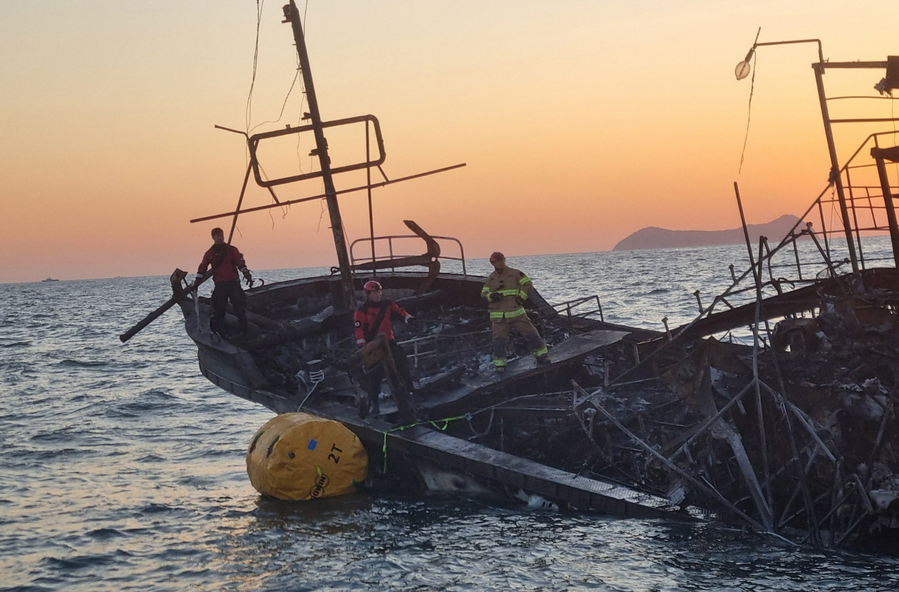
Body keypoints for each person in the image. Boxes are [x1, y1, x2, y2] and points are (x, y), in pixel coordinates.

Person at [354, 280, 415, 418]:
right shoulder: (362, 311)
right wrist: (363, 346)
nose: (378, 295)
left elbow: (399, 311)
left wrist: (408, 317)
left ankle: (411, 393)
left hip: (390, 342)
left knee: (403, 366)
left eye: (379, 292)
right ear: (368, 294)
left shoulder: (387, 304)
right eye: (375, 293)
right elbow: (359, 330)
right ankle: (374, 403)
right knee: (375, 376)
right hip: (374, 346)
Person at [481, 252, 550, 372]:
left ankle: (542, 356)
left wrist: (521, 297)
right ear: (492, 263)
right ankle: (500, 365)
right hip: (499, 317)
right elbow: (484, 294)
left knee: (531, 334)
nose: (501, 262)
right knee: (498, 340)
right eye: (497, 261)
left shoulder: (515, 274)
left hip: (516, 312)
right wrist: (492, 296)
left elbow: (528, 284)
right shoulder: (491, 279)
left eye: (502, 259)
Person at [198, 227, 253, 335]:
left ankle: (246, 333)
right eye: (218, 236)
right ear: (213, 237)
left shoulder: (232, 250)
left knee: (240, 310)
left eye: (221, 235)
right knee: (220, 310)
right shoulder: (210, 253)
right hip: (220, 285)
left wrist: (247, 275)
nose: (220, 237)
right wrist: (197, 280)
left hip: (233, 283)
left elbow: (240, 263)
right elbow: (203, 267)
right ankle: (221, 333)